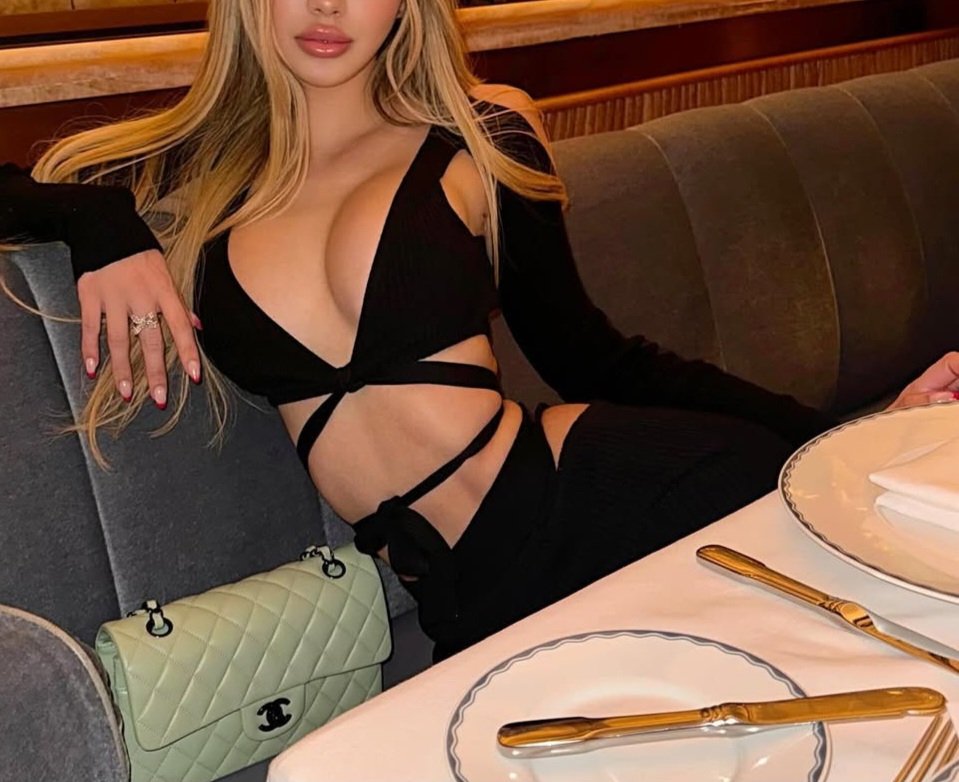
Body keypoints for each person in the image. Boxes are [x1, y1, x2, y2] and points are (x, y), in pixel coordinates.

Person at [1, 0, 957, 659]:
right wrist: (97, 224)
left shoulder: (478, 136)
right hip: (459, 586)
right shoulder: (179, 171)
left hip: (609, 494)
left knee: (876, 657)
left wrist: (843, 442)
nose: (327, 7)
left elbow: (596, 357)